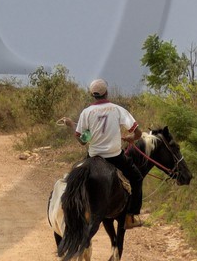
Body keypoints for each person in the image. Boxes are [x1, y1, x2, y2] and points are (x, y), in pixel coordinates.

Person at [58, 78, 145, 229]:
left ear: (92, 95)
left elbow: (83, 140)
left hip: (94, 157)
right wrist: (131, 138)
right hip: (115, 157)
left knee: (73, 177)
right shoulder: (118, 109)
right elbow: (138, 132)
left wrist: (72, 124)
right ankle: (131, 216)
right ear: (107, 92)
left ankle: (66, 209)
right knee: (137, 178)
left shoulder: (87, 113)